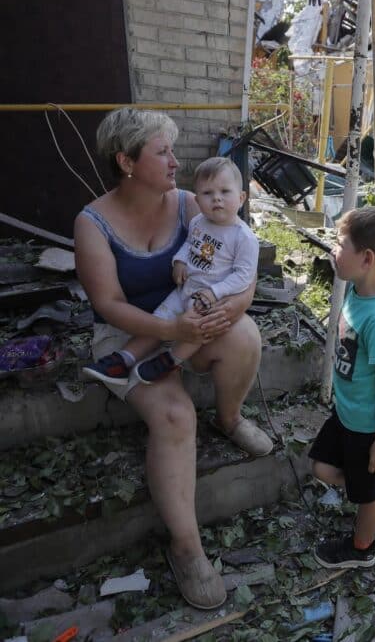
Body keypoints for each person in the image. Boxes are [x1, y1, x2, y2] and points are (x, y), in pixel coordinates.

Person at [74, 108, 272, 610]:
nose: (175, 161)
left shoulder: (191, 205)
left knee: (245, 334)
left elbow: (241, 274)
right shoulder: (92, 222)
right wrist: (170, 330)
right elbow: (109, 305)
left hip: (190, 319)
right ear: (126, 161)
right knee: (176, 414)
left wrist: (223, 311)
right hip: (130, 335)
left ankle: (229, 418)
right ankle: (186, 547)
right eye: (162, 151)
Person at [82, 156, 259, 386]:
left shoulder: (243, 237)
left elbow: (244, 276)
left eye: (225, 191)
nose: (216, 198)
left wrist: (215, 292)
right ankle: (122, 359)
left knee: (200, 329)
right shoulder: (198, 222)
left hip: (211, 300)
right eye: (207, 193)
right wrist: (180, 262)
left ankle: (169, 360)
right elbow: (189, 245)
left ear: (242, 197)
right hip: (184, 289)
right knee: (160, 319)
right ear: (198, 199)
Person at [309, 206, 375, 569]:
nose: (332, 251)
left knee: (363, 497)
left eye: (340, 245)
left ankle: (361, 549)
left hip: (370, 430)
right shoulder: (356, 290)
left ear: (367, 259)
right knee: (321, 468)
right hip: (347, 416)